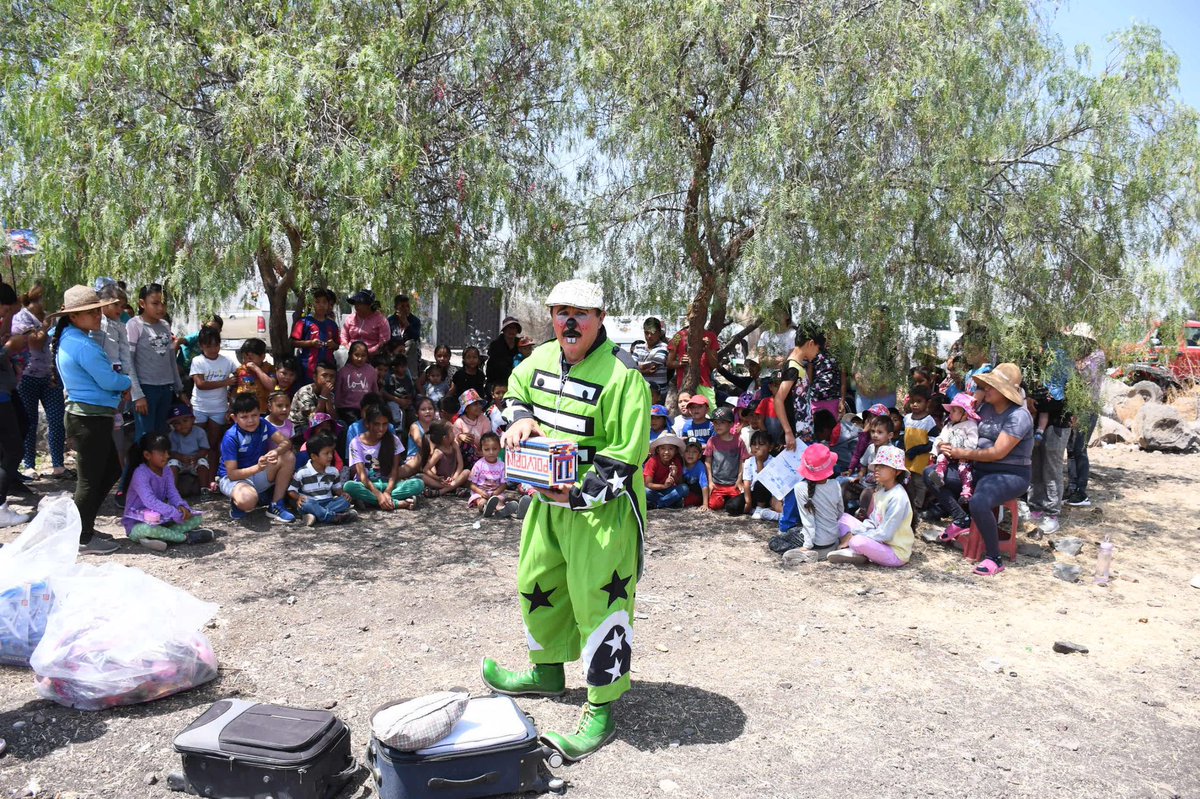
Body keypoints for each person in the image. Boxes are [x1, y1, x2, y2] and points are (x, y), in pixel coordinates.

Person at [481, 279, 650, 762]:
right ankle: (547, 670)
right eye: (561, 312)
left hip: (601, 513)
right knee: (538, 582)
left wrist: (578, 493)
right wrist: (518, 418)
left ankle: (601, 707)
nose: (569, 321)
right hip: (544, 503)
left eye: (580, 312)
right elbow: (514, 392)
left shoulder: (623, 376)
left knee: (599, 600)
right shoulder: (539, 358)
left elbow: (626, 455)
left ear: (600, 317)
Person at [924, 363, 1034, 577]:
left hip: (1009, 475)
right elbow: (963, 419)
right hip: (977, 469)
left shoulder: (1019, 416)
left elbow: (997, 453)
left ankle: (994, 557)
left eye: (991, 386)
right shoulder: (985, 407)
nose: (986, 390)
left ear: (1005, 391)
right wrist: (945, 446)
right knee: (931, 475)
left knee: (979, 501)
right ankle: (960, 518)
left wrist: (961, 453)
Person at [53, 285, 133, 552]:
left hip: (91, 416)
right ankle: (82, 537)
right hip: (89, 419)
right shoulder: (83, 344)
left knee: (110, 468)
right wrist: (126, 381)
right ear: (74, 317)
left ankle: (82, 525)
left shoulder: (72, 339)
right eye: (90, 312)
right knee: (89, 479)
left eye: (98, 310)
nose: (98, 316)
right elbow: (108, 379)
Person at [12, 285, 69, 478]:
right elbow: (35, 341)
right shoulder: (21, 318)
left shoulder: (44, 317)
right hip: (27, 375)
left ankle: (58, 464)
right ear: (35, 300)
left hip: (49, 374)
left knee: (56, 418)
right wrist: (45, 326)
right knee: (29, 421)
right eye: (43, 299)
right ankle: (29, 464)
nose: (46, 303)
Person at [123, 433, 212, 551]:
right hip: (136, 524)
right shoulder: (140, 473)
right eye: (161, 453)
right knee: (147, 529)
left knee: (197, 518)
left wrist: (182, 506)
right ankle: (185, 537)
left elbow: (172, 493)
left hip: (160, 520)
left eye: (167, 452)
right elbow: (150, 502)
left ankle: (161, 538)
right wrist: (174, 513)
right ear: (147, 455)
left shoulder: (167, 470)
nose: (166, 456)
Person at [828, 444, 913, 567]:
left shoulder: (898, 497)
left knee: (857, 541)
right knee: (843, 518)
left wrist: (854, 536)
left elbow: (885, 534)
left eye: (883, 466)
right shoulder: (881, 491)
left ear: (897, 472)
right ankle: (857, 551)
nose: (877, 469)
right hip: (878, 539)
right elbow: (873, 521)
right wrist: (855, 531)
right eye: (877, 465)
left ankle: (855, 550)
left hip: (894, 551)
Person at [218, 392, 297, 523]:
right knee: (248, 501)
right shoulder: (231, 437)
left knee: (288, 456)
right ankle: (237, 501)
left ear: (259, 413)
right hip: (235, 479)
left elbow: (286, 443)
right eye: (244, 417)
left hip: (258, 470)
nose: (250, 420)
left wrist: (277, 451)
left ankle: (276, 504)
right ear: (234, 418)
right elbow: (231, 474)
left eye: (254, 415)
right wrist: (258, 468)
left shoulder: (263, 424)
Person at [127, 283, 183, 445]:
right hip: (146, 389)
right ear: (142, 303)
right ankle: (139, 470)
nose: (160, 308)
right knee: (145, 436)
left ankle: (159, 470)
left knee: (161, 434)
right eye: (155, 303)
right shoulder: (134, 325)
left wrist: (179, 389)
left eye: (163, 303)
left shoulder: (165, 325)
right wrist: (138, 395)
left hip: (166, 388)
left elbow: (171, 359)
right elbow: (128, 361)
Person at [92, 281, 137, 467]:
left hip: (117, 383)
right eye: (116, 304)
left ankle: (118, 471)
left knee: (116, 427)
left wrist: (127, 383)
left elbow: (125, 356)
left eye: (123, 305)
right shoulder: (96, 324)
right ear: (103, 302)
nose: (121, 309)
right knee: (100, 431)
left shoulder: (119, 325)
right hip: (98, 384)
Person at [1028, 344, 1072, 534]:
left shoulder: (1065, 364)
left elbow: (1072, 397)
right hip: (1036, 420)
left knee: (1052, 468)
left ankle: (1052, 512)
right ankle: (1035, 507)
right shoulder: (1035, 364)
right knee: (1035, 464)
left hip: (1058, 423)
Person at [344, 405, 424, 509]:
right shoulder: (356, 443)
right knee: (349, 487)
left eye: (384, 424)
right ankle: (397, 503)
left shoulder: (393, 440)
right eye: (377, 424)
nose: (381, 429)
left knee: (419, 484)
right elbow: (363, 477)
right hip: (367, 485)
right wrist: (378, 495)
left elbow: (395, 471)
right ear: (367, 424)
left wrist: (387, 492)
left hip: (389, 484)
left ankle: (371, 501)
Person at [0, 283, 34, 528]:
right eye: (5, 311)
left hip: (5, 392)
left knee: (14, 441)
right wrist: (8, 349)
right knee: (13, 449)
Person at [775, 326, 839, 451]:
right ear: (810, 344)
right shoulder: (793, 368)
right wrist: (788, 432)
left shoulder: (798, 366)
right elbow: (778, 399)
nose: (817, 353)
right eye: (818, 349)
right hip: (796, 435)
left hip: (804, 433)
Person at [772, 443, 843, 554]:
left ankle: (807, 554)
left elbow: (808, 521)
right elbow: (839, 513)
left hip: (815, 544)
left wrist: (807, 546)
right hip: (832, 540)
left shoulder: (800, 488)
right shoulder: (836, 484)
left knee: (775, 541)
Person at [1066, 323, 1105, 507]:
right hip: (1075, 407)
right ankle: (1072, 487)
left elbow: (1084, 378)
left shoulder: (1097, 356)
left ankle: (1081, 491)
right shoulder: (1079, 357)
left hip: (1087, 408)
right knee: (1072, 449)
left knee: (1080, 448)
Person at [289, 433, 357, 525]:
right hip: (311, 502)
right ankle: (335, 517)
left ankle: (314, 516)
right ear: (314, 456)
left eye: (331, 452)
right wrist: (299, 497)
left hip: (328, 502)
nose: (330, 456)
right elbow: (291, 491)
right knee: (306, 504)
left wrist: (343, 494)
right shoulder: (302, 472)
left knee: (345, 502)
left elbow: (337, 489)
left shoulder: (333, 471)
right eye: (326, 453)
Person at [189, 325, 237, 455]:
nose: (213, 349)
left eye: (216, 345)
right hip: (199, 407)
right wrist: (225, 383)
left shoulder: (227, 361)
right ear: (201, 346)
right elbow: (200, 384)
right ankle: (196, 464)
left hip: (219, 408)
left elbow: (239, 375)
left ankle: (210, 465)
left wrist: (232, 393)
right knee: (196, 440)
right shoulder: (197, 361)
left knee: (213, 442)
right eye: (208, 346)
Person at [927, 393, 980, 503]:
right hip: (948, 453)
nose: (950, 413)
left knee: (964, 468)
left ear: (965, 414)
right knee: (941, 458)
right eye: (951, 410)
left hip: (962, 455)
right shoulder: (948, 426)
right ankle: (939, 476)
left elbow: (973, 442)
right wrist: (936, 449)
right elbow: (940, 438)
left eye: (954, 410)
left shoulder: (970, 425)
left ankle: (966, 491)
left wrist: (963, 451)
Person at [290, 288, 340, 382]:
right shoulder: (304, 322)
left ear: (329, 304)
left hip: (327, 367)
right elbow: (293, 342)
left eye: (324, 302)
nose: (321, 305)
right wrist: (310, 343)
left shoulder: (332, 325)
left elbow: (337, 345)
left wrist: (333, 345)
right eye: (317, 302)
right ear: (311, 304)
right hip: (308, 367)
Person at [705, 406, 748, 513]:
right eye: (715, 422)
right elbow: (708, 461)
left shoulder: (738, 441)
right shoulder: (712, 441)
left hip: (733, 484)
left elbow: (742, 461)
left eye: (722, 422)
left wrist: (739, 480)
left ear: (731, 424)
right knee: (713, 505)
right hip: (717, 484)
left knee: (735, 507)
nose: (718, 425)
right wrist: (710, 482)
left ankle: (729, 500)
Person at [666, 325, 720, 409]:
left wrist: (707, 349)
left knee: (710, 414)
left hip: (704, 385)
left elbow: (714, 365)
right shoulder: (678, 336)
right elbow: (669, 363)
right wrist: (680, 362)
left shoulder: (711, 336)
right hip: (684, 386)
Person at [167, 404, 212, 497]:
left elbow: (205, 449)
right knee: (172, 463)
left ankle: (204, 490)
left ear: (193, 420)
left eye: (185, 421)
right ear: (173, 426)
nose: (182, 425)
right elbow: (172, 452)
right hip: (181, 461)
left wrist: (196, 457)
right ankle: (172, 492)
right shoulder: (172, 435)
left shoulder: (199, 432)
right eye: (177, 423)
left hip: (195, 460)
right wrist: (181, 458)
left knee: (203, 463)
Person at [468, 432, 513, 517]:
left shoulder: (502, 465)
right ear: (481, 450)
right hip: (480, 492)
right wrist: (481, 492)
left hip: (496, 493)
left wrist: (496, 492)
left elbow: (504, 484)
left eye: (494, 449)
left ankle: (502, 510)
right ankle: (485, 508)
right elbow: (472, 485)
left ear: (499, 449)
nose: (491, 452)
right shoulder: (478, 465)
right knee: (481, 501)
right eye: (487, 449)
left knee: (499, 500)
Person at [422, 420, 470, 496]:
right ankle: (452, 488)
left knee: (467, 472)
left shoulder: (454, 445)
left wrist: (454, 477)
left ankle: (442, 491)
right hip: (442, 481)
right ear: (445, 438)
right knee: (422, 477)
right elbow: (426, 469)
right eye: (451, 431)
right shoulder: (438, 452)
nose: (454, 433)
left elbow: (460, 464)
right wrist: (438, 478)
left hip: (454, 478)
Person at [336, 341, 378, 426]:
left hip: (367, 408)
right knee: (355, 426)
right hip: (347, 409)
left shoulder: (371, 370)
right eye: (357, 355)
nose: (360, 358)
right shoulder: (343, 371)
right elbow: (338, 392)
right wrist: (337, 407)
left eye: (363, 356)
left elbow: (374, 390)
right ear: (350, 355)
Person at [742, 430, 781, 520]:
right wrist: (748, 502)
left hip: (768, 494)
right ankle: (755, 508)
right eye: (754, 444)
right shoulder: (749, 461)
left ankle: (760, 508)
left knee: (759, 483)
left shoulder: (774, 461)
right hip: (753, 494)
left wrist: (759, 461)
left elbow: (765, 480)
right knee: (732, 506)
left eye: (761, 444)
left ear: (770, 447)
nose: (756, 447)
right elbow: (747, 483)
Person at [643, 434, 688, 510]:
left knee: (685, 488)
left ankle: (659, 504)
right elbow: (648, 484)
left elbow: (680, 483)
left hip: (669, 491)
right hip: (654, 490)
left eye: (670, 449)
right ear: (658, 450)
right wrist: (664, 486)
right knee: (645, 491)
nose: (666, 452)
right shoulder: (653, 461)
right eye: (663, 448)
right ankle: (669, 502)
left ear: (675, 450)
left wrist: (674, 474)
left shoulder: (676, 461)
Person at [290, 361, 337, 430]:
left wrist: (328, 397)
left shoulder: (330, 393)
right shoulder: (304, 392)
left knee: (340, 425)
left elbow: (333, 418)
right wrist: (324, 396)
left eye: (332, 376)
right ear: (315, 377)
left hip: (321, 425)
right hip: (299, 427)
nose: (328, 379)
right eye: (324, 376)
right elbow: (313, 419)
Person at [341, 289, 390, 355]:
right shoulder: (350, 319)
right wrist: (348, 349)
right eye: (355, 303)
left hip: (374, 357)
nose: (356, 306)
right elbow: (343, 336)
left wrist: (367, 353)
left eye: (360, 303)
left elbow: (384, 341)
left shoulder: (381, 320)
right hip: (350, 354)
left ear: (369, 305)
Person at [630, 317, 670, 398]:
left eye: (652, 333)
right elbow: (630, 367)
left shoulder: (664, 347)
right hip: (640, 393)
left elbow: (652, 367)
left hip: (658, 396)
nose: (649, 336)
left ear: (659, 333)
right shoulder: (638, 347)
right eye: (646, 333)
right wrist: (643, 369)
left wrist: (637, 368)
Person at [234, 338, 275, 414]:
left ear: (262, 357)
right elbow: (233, 391)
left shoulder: (269, 369)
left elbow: (271, 386)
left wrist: (257, 369)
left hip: (263, 411)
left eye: (251, 357)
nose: (248, 359)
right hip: (244, 411)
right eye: (245, 357)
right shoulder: (239, 371)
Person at [453, 388, 492, 468]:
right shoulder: (459, 422)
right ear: (466, 408)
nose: (478, 407)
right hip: (463, 456)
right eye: (475, 404)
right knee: (466, 443)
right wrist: (460, 436)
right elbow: (454, 443)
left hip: (482, 453)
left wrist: (483, 452)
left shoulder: (484, 419)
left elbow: (487, 438)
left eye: (479, 404)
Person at [386, 293, 422, 375]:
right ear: (396, 308)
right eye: (402, 306)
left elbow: (416, 337)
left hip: (409, 353)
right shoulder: (389, 321)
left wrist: (406, 323)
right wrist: (395, 350)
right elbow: (387, 339)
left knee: (412, 343)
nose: (405, 309)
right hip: (393, 352)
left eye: (407, 306)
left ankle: (412, 378)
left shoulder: (415, 321)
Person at [486, 316, 523, 389]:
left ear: (517, 330)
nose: (511, 331)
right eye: (508, 328)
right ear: (504, 330)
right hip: (497, 381)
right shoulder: (495, 345)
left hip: (517, 380)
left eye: (513, 328)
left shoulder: (520, 343)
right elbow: (495, 367)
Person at [680, 440, 710, 509]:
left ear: (699, 455)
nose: (690, 454)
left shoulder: (700, 466)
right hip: (684, 490)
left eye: (694, 452)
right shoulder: (681, 463)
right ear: (683, 453)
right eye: (687, 451)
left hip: (696, 492)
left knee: (689, 501)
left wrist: (705, 504)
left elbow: (704, 484)